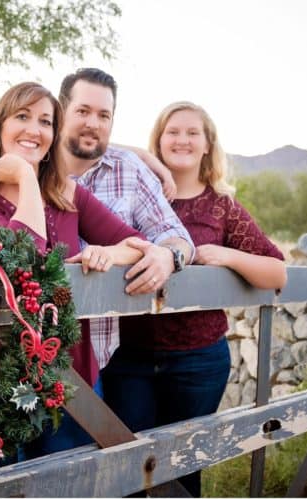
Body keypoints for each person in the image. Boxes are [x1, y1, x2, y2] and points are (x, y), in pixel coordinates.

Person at [102, 101, 288, 497]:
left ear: (207, 145)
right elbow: (90, 143)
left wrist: (228, 256)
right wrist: (143, 158)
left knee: (182, 469)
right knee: (126, 469)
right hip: (127, 356)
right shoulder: (136, 193)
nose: (181, 139)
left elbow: (277, 271)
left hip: (197, 361)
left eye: (192, 133)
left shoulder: (222, 206)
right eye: (172, 131)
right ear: (158, 140)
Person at [0, 82, 146, 457]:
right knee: (2, 489)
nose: (34, 129)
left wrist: (107, 254)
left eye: (46, 121)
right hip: (0, 377)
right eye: (23, 117)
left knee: (71, 485)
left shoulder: (68, 195)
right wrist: (27, 179)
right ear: (0, 127)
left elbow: (136, 245)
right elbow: (20, 261)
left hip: (72, 377)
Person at [57, 68, 195, 369]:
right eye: (83, 111)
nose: (93, 123)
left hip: (101, 359)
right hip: (26, 353)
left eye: (104, 115)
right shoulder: (34, 167)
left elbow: (176, 235)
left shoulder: (129, 169)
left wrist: (168, 256)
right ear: (61, 110)